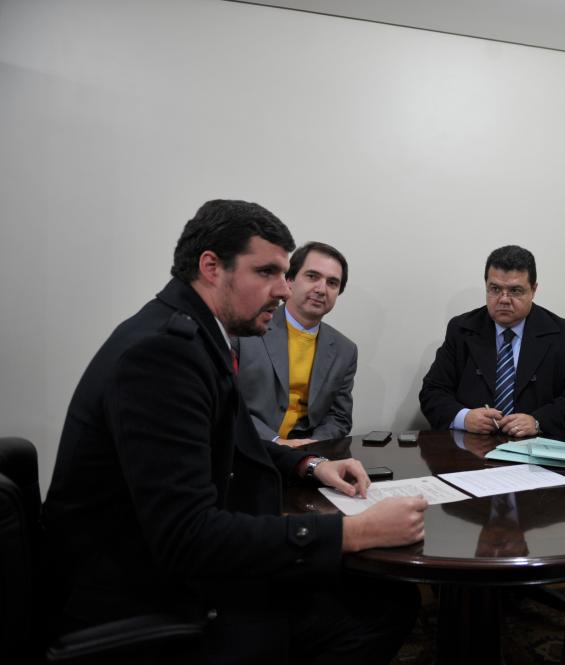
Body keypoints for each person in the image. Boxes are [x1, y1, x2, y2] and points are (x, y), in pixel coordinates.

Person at [43, 200, 428, 664]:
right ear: (211, 267)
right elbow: (189, 536)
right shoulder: (163, 356)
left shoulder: (194, 333)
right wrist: (353, 532)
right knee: (381, 609)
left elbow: (237, 440)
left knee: (384, 596)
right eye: (267, 272)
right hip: (144, 594)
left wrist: (310, 464)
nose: (283, 290)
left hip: (164, 569)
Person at [419, 245, 565, 439]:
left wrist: (538, 422)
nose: (504, 299)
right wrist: (464, 417)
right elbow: (432, 392)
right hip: (471, 446)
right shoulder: (461, 329)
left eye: (515, 290)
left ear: (533, 290)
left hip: (536, 447)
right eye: (495, 289)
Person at [236, 241, 357, 447]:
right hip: (249, 448)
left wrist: (311, 445)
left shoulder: (345, 350)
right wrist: (277, 442)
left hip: (307, 453)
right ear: (289, 280)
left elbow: (339, 417)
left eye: (332, 283)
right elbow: (228, 404)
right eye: (312, 276)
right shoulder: (244, 329)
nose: (321, 289)